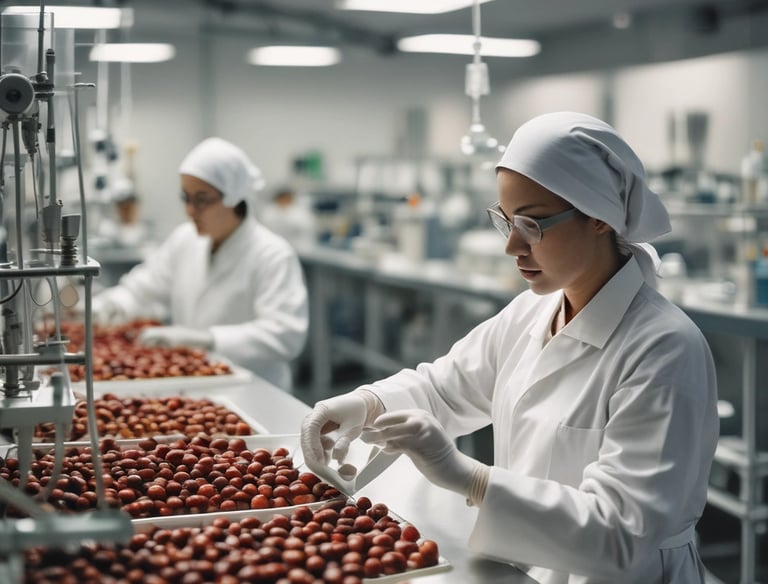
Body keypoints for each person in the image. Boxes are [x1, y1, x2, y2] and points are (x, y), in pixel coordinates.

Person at [301, 112, 719, 583]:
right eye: (506, 220)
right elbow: (445, 389)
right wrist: (364, 404)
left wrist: (472, 479)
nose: (512, 246)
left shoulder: (663, 350)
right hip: (522, 567)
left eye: (534, 224)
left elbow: (623, 535)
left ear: (600, 219)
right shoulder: (530, 313)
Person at [93, 137, 309, 390]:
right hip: (196, 384)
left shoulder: (272, 254)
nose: (190, 210)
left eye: (202, 199)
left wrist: (207, 339)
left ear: (233, 197)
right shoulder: (185, 240)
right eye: (186, 197)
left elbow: (284, 335)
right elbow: (142, 289)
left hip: (257, 390)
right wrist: (107, 307)